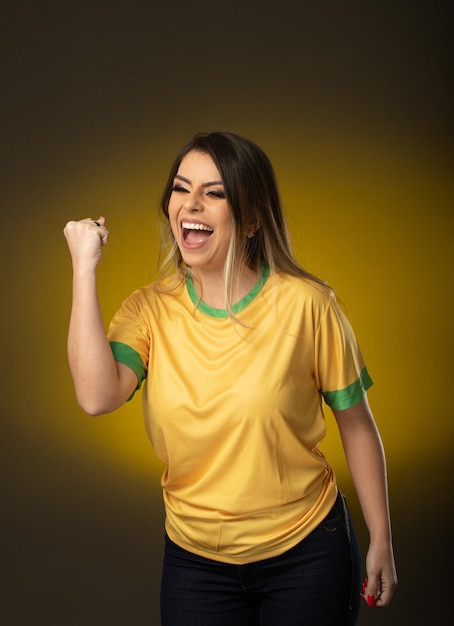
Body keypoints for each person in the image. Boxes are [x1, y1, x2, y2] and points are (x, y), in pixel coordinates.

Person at [63, 131, 397, 625]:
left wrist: (382, 540)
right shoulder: (148, 311)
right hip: (195, 563)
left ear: (253, 217)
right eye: (181, 188)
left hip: (307, 551)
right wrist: (83, 268)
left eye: (214, 192)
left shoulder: (309, 305)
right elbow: (96, 396)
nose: (190, 204)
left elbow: (356, 425)